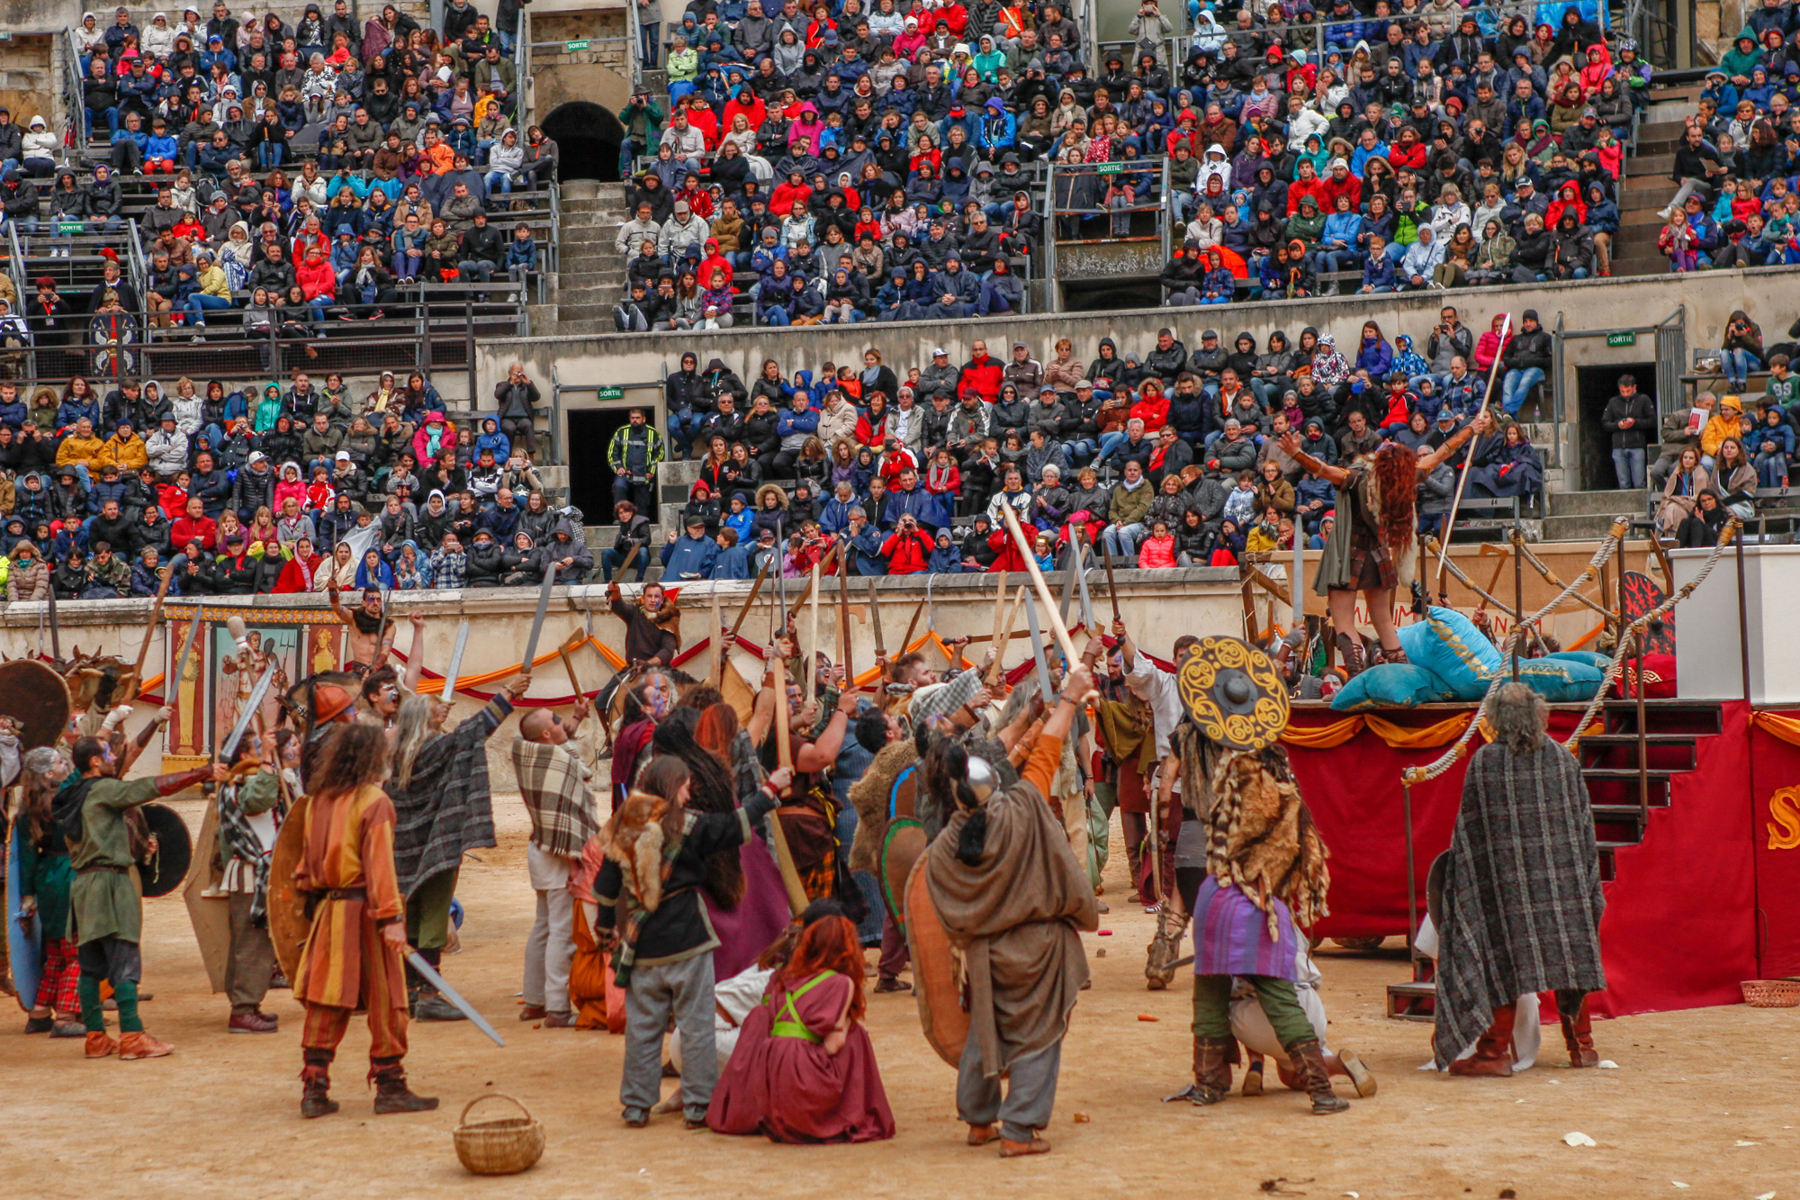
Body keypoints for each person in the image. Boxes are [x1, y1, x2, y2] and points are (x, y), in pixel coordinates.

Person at [922, 658, 1100, 1158]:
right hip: (1037, 949)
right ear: (993, 785)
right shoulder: (1021, 806)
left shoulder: (944, 846)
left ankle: (980, 1122)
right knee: (1039, 1037)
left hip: (982, 954)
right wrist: (1071, 696)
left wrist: (1053, 706)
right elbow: (1045, 753)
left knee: (987, 1028)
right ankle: (1019, 1130)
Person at [592, 753, 793, 1128]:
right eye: (686, 786)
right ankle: (699, 1105)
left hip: (643, 947)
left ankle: (636, 1106)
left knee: (642, 1029)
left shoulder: (623, 825)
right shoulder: (689, 825)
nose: (689, 793)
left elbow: (604, 889)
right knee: (697, 1025)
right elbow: (736, 825)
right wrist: (770, 788)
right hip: (688, 942)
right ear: (672, 786)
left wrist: (606, 930)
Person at [1432, 683, 1606, 1076]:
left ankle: (1494, 1054)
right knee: (1570, 958)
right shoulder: (1563, 759)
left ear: (1496, 720)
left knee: (1500, 957)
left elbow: (1469, 833)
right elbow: (1583, 826)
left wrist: (1463, 884)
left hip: (1505, 888)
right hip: (1563, 885)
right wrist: (1582, 880)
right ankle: (1582, 1048)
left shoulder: (1486, 763)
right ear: (1538, 715)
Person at [292, 721, 438, 1118]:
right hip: (368, 913)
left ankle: (314, 1090)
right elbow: (380, 867)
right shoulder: (375, 801)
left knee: (326, 1000)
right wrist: (391, 916)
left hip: (329, 911)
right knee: (388, 998)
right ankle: (390, 1086)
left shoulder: (318, 798)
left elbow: (303, 862)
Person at [1280, 412, 1489, 673]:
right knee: (1386, 626)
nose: (1385, 443)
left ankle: (1356, 678)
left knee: (1344, 624)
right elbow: (1442, 453)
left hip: (1347, 555)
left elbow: (1323, 470)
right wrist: (1470, 428)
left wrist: (1297, 453)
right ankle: (1407, 677)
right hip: (1378, 555)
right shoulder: (1409, 477)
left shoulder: (1357, 477)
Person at [57, 736, 219, 1060]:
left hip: (83, 885)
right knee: (124, 958)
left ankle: (96, 1038)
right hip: (110, 884)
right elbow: (152, 786)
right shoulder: (103, 790)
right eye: (106, 753)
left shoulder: (70, 795)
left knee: (90, 965)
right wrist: (202, 771)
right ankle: (132, 1036)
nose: (112, 756)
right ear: (93, 761)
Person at [386, 673, 523, 1021]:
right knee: (432, 914)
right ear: (422, 719)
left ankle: (413, 990)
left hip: (402, 849)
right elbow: (473, 731)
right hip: (434, 844)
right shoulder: (433, 748)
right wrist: (506, 695)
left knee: (414, 914)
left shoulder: (395, 755)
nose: (442, 712)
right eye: (436, 710)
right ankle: (430, 994)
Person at [707, 906, 896, 1142]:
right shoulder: (839, 982)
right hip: (715, 1040)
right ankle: (850, 1112)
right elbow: (834, 1044)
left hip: (754, 1070)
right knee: (855, 1035)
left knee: (768, 1025)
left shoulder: (782, 974)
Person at [512, 688, 602, 1028]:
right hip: (559, 854)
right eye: (557, 719)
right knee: (561, 931)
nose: (562, 719)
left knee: (544, 927)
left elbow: (564, 752)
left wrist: (576, 718)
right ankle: (557, 1008)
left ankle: (534, 1001)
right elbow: (579, 769)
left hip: (542, 850)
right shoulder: (557, 761)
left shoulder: (531, 753)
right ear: (547, 734)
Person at [216, 731, 287, 1034]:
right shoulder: (239, 783)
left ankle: (247, 1005)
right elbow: (256, 800)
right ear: (243, 756)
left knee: (251, 943)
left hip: (256, 875)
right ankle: (243, 1010)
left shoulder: (247, 779)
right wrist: (269, 760)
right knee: (251, 944)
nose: (263, 749)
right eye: (257, 747)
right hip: (250, 875)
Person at [16, 746, 83, 1038]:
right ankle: (66, 1015)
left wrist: (29, 895)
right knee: (80, 951)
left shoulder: (26, 808)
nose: (64, 763)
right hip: (69, 873)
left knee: (56, 950)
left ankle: (40, 1012)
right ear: (48, 772)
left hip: (46, 877)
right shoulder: (65, 799)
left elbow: (28, 857)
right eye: (59, 761)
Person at [1601, 373, 1654, 490]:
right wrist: (1618, 425)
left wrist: (1635, 423)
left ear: (1634, 387)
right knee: (1623, 483)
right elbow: (1605, 423)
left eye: (1628, 391)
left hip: (1637, 445)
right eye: (1622, 391)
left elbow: (1652, 421)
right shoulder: (1613, 402)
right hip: (1618, 446)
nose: (1625, 394)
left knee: (1639, 482)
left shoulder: (1643, 399)